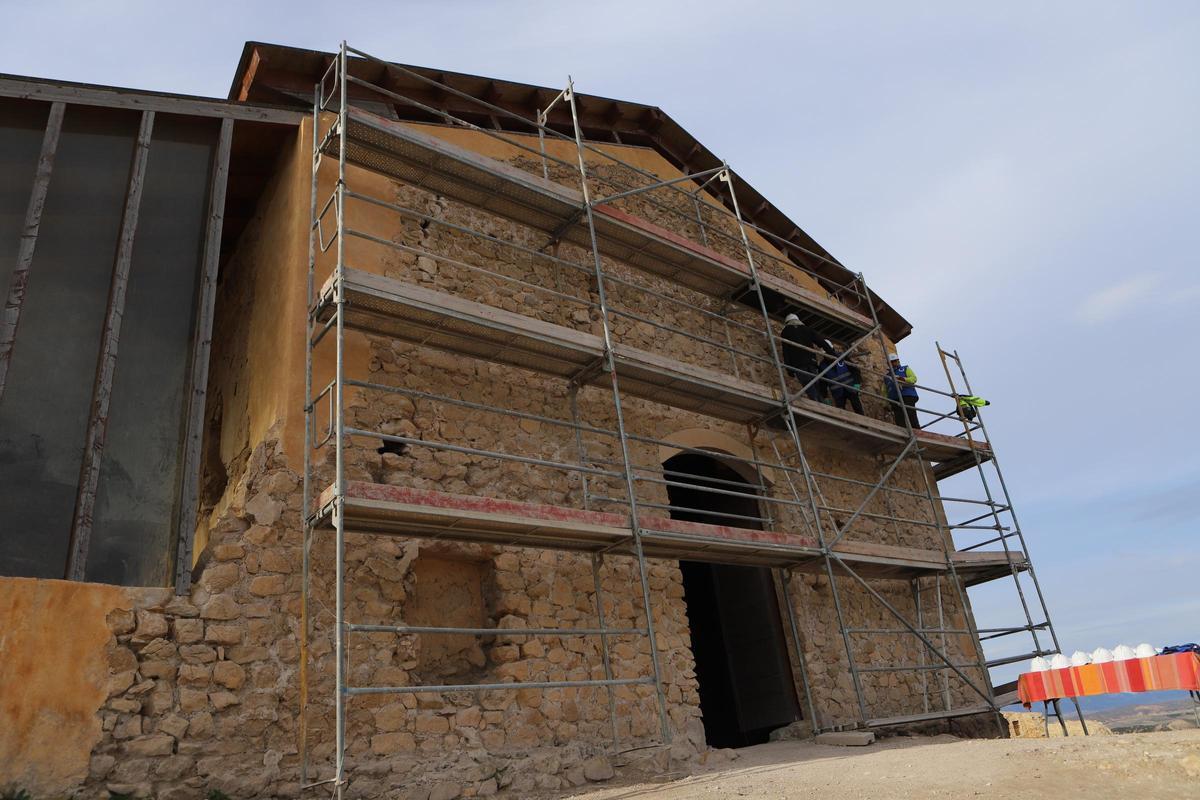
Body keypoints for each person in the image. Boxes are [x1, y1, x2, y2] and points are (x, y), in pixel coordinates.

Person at [780, 313, 836, 402]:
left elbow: (786, 351)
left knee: (807, 384)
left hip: (798, 364)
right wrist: (832, 352)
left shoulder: (785, 332)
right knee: (816, 383)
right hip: (811, 362)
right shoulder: (807, 329)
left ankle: (815, 401)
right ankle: (821, 403)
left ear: (787, 322)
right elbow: (821, 341)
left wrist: (789, 369)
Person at [885, 352, 919, 429]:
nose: (894, 363)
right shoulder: (887, 376)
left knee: (911, 415)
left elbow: (914, 378)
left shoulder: (905, 369)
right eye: (892, 362)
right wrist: (885, 402)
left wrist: (903, 379)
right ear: (888, 363)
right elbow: (885, 390)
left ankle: (918, 432)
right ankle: (903, 433)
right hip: (894, 398)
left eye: (895, 361)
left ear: (898, 361)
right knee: (899, 419)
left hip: (908, 395)